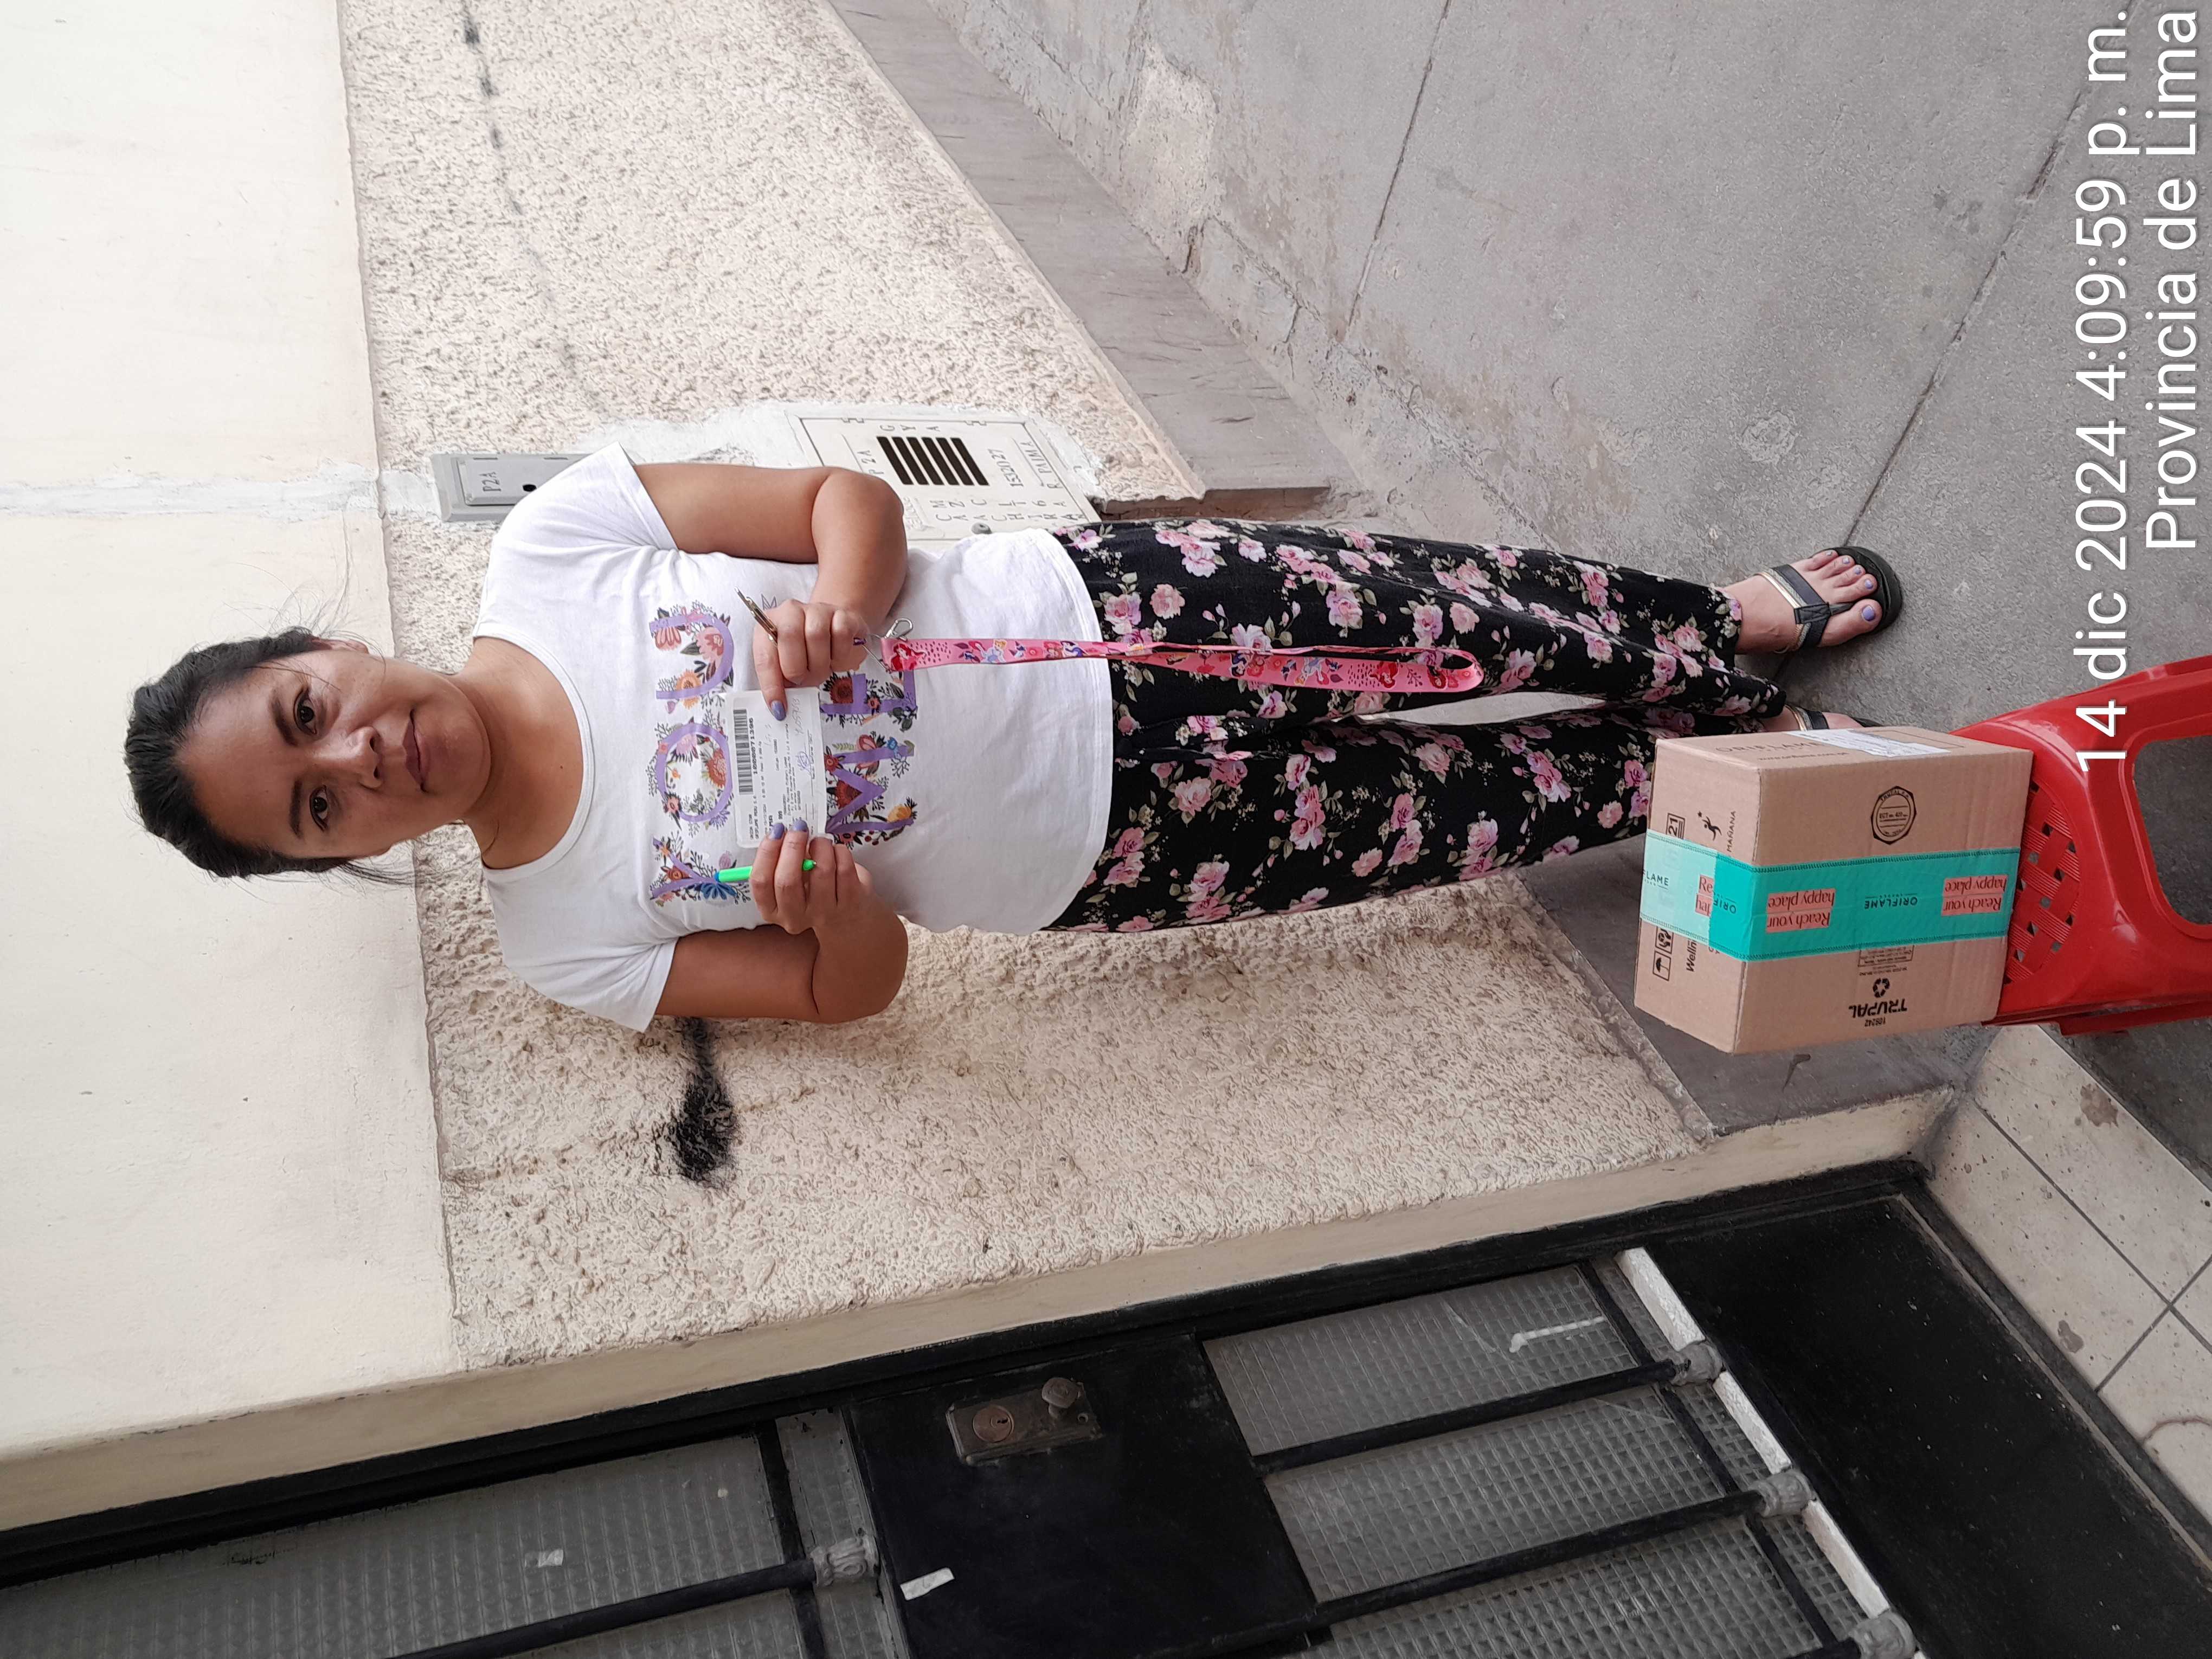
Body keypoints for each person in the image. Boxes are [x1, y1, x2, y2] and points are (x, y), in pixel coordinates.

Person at [124, 447, 1900, 1029]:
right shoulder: (558, 942)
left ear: (323, 649)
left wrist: (840, 596)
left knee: (1437, 617)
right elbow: (850, 994)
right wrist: (832, 917)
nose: (357, 761)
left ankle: (1714, 629)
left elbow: (848, 500)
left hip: (1093, 607)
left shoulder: (553, 545)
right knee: (1455, 810)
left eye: (306, 715)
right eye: (315, 810)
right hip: (1099, 860)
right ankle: (1722, 762)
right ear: (347, 855)